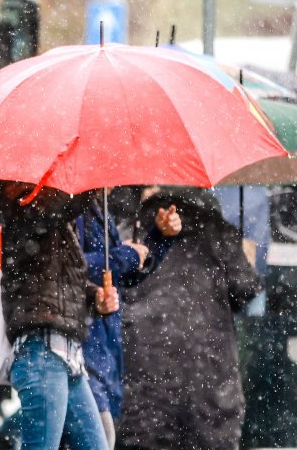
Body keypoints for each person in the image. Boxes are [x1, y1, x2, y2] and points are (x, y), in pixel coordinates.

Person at [117, 187, 261, 450]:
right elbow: (245, 289)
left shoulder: (132, 231)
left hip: (144, 387)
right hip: (210, 382)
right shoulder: (217, 230)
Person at [0, 181, 119, 450]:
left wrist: (95, 298)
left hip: (67, 355)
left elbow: (59, 283)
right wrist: (92, 183)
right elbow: (52, 210)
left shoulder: (57, 215)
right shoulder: (24, 198)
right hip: (43, 353)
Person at [77, 192, 182, 449]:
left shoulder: (97, 207)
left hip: (104, 352)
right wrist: (125, 255)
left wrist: (156, 239)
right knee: (99, 438)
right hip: (84, 349)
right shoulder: (74, 210)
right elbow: (72, 268)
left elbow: (120, 275)